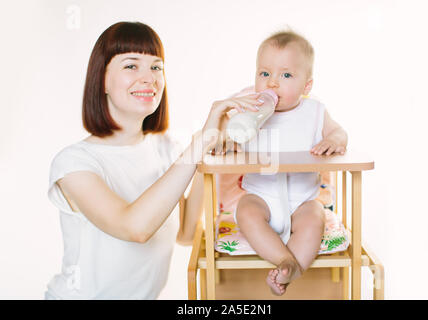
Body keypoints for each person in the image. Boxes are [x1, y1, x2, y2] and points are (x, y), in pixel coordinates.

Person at [45, 21, 260, 299]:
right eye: (131, 65)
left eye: (156, 67)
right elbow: (135, 228)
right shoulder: (74, 163)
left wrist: (208, 155)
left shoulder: (166, 148)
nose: (149, 78)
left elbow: (184, 232)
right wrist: (199, 145)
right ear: (102, 80)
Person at [233, 30, 348, 296]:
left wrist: (336, 140)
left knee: (315, 217)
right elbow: (228, 136)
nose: (272, 83)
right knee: (246, 211)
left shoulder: (314, 112)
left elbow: (338, 132)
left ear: (306, 87)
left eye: (285, 75)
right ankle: (286, 261)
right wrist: (229, 134)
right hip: (261, 196)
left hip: (302, 200)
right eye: (264, 74)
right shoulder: (249, 110)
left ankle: (293, 266)